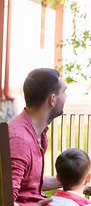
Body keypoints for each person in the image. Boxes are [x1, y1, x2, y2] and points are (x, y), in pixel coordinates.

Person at [9, 68, 66, 205]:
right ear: (52, 99)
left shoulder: (34, 132)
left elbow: (29, 181)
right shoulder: (20, 140)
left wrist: (72, 180)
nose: (66, 97)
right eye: (64, 92)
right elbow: (5, 199)